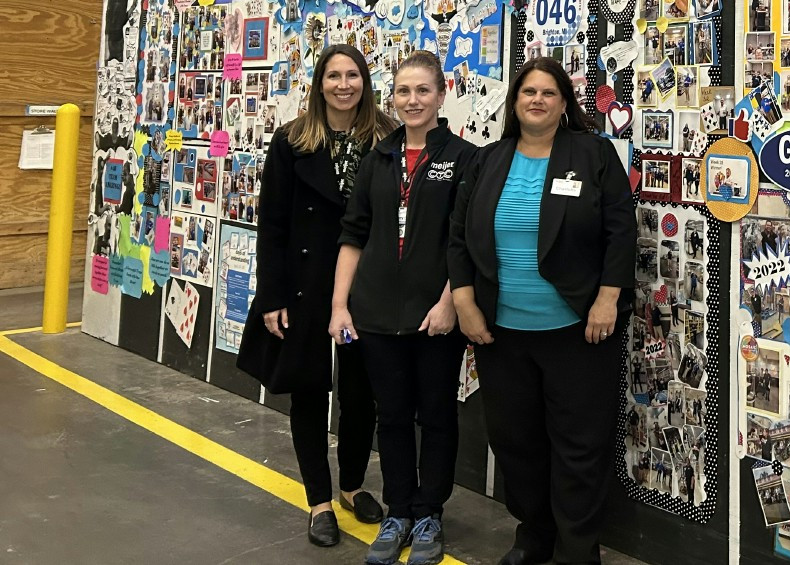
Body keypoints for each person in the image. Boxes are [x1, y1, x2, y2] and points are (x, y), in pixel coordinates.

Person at [450, 57, 635, 565]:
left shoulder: (592, 154)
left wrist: (607, 298)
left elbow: (621, 231)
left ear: (563, 103)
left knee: (579, 448)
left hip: (577, 330)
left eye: (548, 93)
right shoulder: (488, 160)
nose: (537, 100)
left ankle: (578, 549)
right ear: (514, 102)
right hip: (501, 333)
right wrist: (464, 301)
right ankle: (534, 534)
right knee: (515, 442)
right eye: (528, 91)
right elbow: (458, 238)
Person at [238, 45, 395, 548]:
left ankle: (351, 486)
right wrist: (271, 295)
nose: (344, 84)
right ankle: (319, 501)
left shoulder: (387, 137)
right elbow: (274, 224)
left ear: (364, 82)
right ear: (319, 83)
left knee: (359, 392)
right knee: (308, 389)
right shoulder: (292, 141)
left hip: (365, 284)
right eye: (334, 75)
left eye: (353, 75)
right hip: (305, 285)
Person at [330, 51, 477, 565]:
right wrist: (339, 306)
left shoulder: (464, 159)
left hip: (436, 317)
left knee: (435, 415)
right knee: (390, 416)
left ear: (442, 94)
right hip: (374, 315)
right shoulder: (378, 158)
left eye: (422, 91)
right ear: (392, 96)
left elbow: (468, 241)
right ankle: (398, 511)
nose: (412, 101)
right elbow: (353, 235)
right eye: (403, 91)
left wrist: (449, 304)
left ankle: (430, 511)